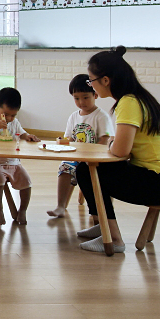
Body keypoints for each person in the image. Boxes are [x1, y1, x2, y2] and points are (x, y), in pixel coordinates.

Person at [75, 45, 160, 253]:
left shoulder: (128, 102)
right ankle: (104, 226)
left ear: (105, 80)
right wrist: (114, 143)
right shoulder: (139, 97)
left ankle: (113, 238)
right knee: (90, 168)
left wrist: (111, 143)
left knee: (86, 170)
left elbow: (121, 151)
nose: (91, 85)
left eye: (91, 81)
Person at [47, 74, 113, 219]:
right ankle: (60, 206)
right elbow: (70, 138)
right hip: (77, 157)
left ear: (95, 95)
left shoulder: (101, 116)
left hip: (95, 159)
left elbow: (105, 139)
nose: (81, 102)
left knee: (88, 172)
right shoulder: (73, 116)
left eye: (85, 97)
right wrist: (62, 142)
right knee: (65, 167)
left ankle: (96, 209)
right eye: (76, 98)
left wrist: (91, 156)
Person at [0, 88, 40, 225]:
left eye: (13, 115)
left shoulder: (14, 123)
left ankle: (22, 210)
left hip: (13, 162)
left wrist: (28, 136)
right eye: (5, 115)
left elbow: (22, 133)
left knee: (26, 180)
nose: (10, 118)